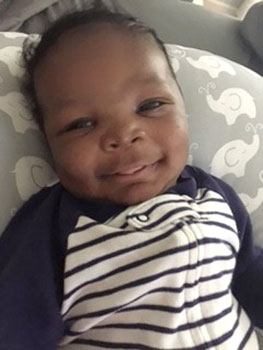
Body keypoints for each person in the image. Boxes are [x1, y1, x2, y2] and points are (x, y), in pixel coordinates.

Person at [0, 3, 263, 350]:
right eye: (81, 124)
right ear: (48, 141)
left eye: (150, 105)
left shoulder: (214, 196)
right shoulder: (55, 227)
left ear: (184, 106)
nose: (124, 134)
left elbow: (247, 273)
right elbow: (15, 327)